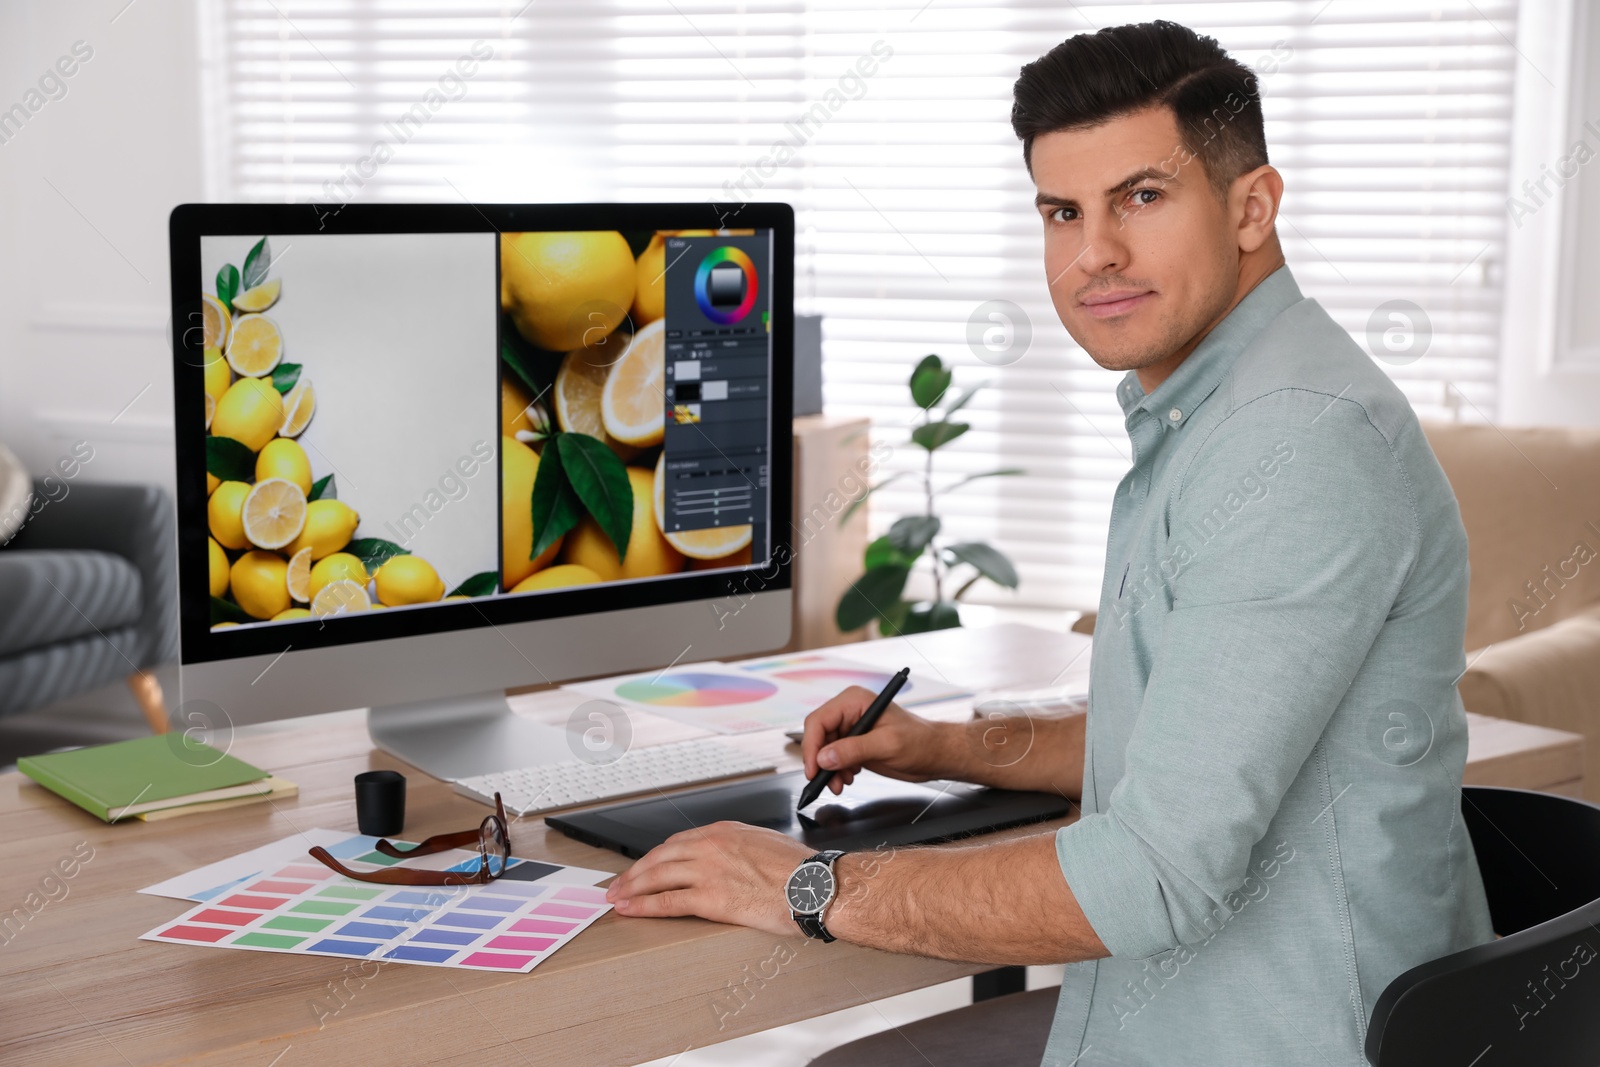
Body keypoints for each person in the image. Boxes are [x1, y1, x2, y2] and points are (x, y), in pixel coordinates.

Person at [605, 20, 1493, 1065]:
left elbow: (1152, 872)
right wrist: (944, 747)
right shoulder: (1229, 408)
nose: (1092, 254)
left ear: (1252, 206)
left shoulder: (1293, 446)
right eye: (1062, 211)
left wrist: (800, 881)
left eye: (1142, 198)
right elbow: (1189, 730)